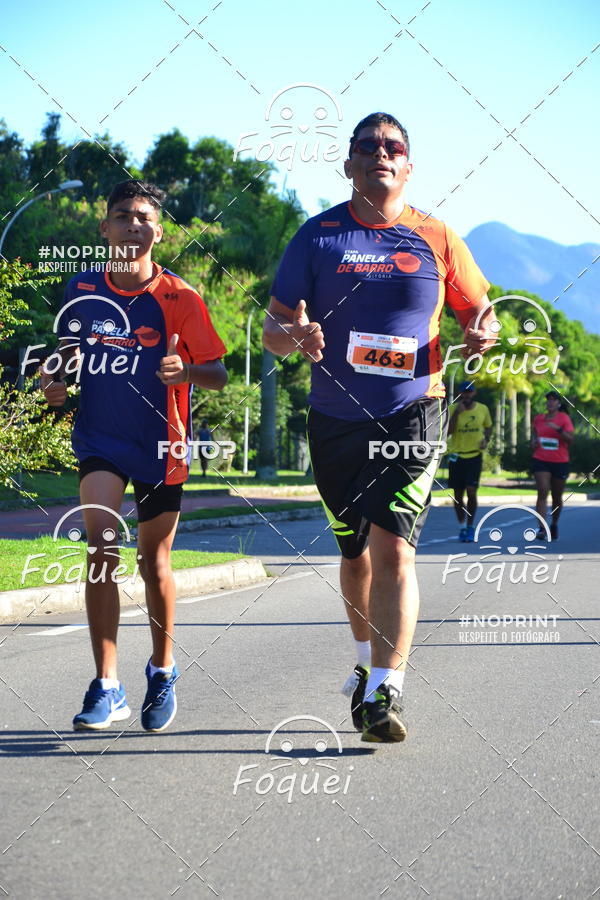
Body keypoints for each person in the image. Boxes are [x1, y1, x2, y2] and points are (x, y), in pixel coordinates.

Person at [263, 112, 497, 742]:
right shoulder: (317, 237)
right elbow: (272, 329)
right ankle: (367, 663)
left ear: (409, 167)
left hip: (414, 410)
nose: (381, 155)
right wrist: (296, 334)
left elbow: (481, 309)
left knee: (395, 546)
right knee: (354, 550)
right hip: (335, 418)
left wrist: (480, 333)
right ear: (348, 166)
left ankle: (387, 688)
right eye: (367, 147)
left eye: (394, 147)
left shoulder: (438, 238)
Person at [40, 180, 227, 732]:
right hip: (100, 438)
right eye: (122, 216)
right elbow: (68, 355)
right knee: (100, 544)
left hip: (162, 443)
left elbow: (215, 372)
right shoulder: (82, 288)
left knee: (154, 563)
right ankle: (107, 683)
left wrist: (186, 372)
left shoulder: (181, 298)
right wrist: (56, 379)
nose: (133, 225)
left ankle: (163, 669)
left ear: (158, 230)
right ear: (105, 228)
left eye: (144, 217)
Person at [447, 381, 492, 542]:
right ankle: (462, 527)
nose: (466, 395)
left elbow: (488, 427)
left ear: (474, 393)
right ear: (460, 394)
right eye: (463, 392)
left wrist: (486, 439)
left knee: (471, 491)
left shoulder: (483, 409)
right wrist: (456, 414)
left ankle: (471, 526)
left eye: (469, 392)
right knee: (458, 495)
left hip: (474, 456)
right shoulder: (453, 409)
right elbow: (448, 432)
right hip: (457, 456)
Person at [532, 390, 574, 540]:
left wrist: (558, 429)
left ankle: (554, 524)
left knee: (557, 497)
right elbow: (535, 436)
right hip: (541, 459)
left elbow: (570, 440)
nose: (550, 402)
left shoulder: (564, 418)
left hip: (560, 461)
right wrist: (534, 442)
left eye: (553, 400)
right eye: (548, 400)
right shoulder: (538, 419)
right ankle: (542, 528)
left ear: (558, 403)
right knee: (542, 491)